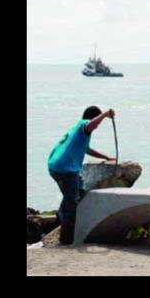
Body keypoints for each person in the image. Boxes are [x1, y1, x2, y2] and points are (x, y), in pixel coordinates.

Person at [48, 105, 116, 245]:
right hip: (66, 169)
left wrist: (107, 157)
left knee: (79, 191)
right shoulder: (84, 125)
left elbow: (86, 149)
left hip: (56, 166)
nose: (97, 126)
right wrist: (104, 115)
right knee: (72, 201)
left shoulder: (78, 131)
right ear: (92, 118)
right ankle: (66, 238)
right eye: (97, 121)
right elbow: (91, 124)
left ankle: (59, 217)